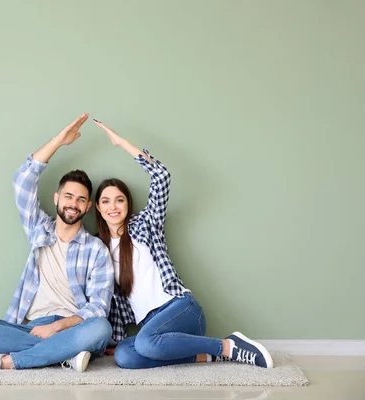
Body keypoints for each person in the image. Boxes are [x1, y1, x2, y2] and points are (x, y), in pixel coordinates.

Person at [91, 118, 274, 369]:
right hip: (153, 327)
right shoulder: (98, 249)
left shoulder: (146, 224)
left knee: (145, 344)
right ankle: (206, 355)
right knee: (125, 356)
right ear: (98, 208)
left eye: (119, 200)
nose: (113, 207)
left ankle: (228, 346)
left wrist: (122, 143)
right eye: (106, 201)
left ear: (127, 204)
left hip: (181, 309)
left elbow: (161, 177)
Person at [0, 114, 114, 372]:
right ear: (56, 198)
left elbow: (98, 307)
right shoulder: (38, 229)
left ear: (87, 206)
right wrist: (58, 142)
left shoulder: (96, 250)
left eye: (80, 199)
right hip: (31, 326)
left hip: (72, 327)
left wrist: (57, 327)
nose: (73, 203)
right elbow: (22, 181)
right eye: (68, 196)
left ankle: (9, 362)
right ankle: (65, 356)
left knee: (101, 329)